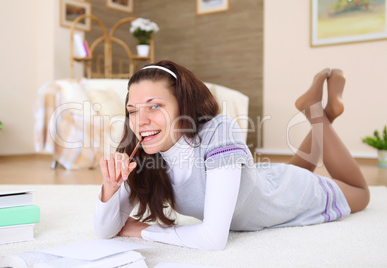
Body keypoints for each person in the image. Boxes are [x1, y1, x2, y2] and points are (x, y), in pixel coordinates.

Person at [94, 60, 370, 250]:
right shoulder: (142, 153)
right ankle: (324, 113)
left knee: (361, 193)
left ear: (184, 105)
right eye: (132, 110)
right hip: (261, 184)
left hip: (289, 194)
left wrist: (142, 230)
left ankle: (319, 114)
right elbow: (106, 230)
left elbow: (213, 238)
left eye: (154, 106)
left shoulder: (219, 130)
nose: (140, 120)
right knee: (271, 180)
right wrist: (111, 186)